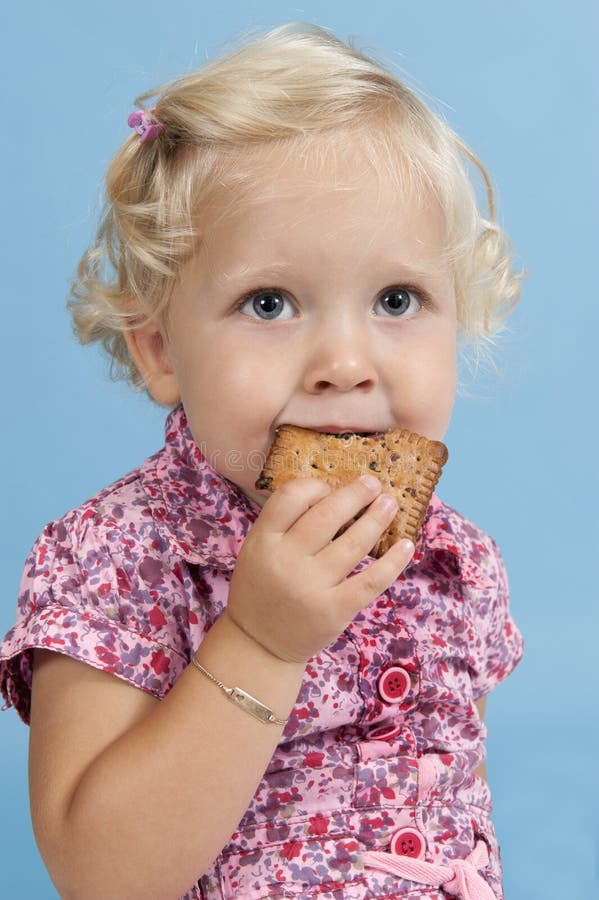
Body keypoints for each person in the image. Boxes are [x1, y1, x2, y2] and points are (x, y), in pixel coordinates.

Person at [0, 23, 524, 900]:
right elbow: (98, 874)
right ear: (160, 350)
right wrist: (259, 644)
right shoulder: (113, 561)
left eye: (397, 298)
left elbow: (448, 806)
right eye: (269, 302)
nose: (345, 362)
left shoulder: (454, 561)